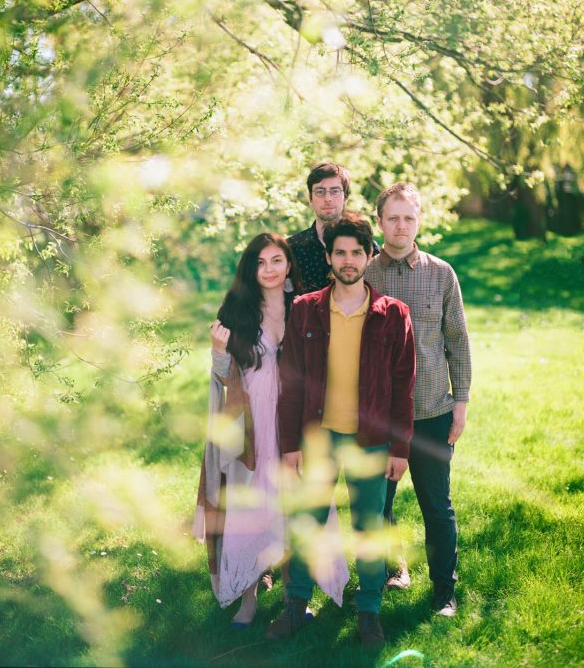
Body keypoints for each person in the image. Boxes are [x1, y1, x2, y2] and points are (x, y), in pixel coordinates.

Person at [267, 213, 415, 649]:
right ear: (328, 257)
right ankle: (296, 606)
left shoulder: (393, 315)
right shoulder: (306, 308)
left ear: (370, 256)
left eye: (356, 252)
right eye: (340, 253)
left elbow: (402, 387)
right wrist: (289, 445)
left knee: (369, 527)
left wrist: (400, 447)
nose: (348, 260)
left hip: (370, 440)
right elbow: (290, 381)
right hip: (317, 436)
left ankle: (368, 612)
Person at [193, 233, 347, 628]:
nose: (269, 270)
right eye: (261, 263)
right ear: (251, 268)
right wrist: (217, 351)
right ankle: (248, 598)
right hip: (256, 426)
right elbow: (226, 379)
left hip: (297, 421)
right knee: (253, 508)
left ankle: (299, 598)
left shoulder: (307, 308)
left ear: (289, 264)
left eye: (277, 260)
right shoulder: (238, 311)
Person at [366, 182, 472, 617]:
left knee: (436, 505)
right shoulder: (364, 274)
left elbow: (457, 340)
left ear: (419, 221)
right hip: (380, 415)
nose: (401, 225)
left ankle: (444, 591)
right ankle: (394, 569)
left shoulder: (442, 273)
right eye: (393, 217)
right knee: (378, 503)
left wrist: (460, 401)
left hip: (431, 410)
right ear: (380, 222)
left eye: (409, 217)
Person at [287, 161, 378, 294]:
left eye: (335, 191)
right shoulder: (291, 249)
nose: (328, 198)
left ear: (345, 197)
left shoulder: (367, 246)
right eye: (320, 191)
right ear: (310, 198)